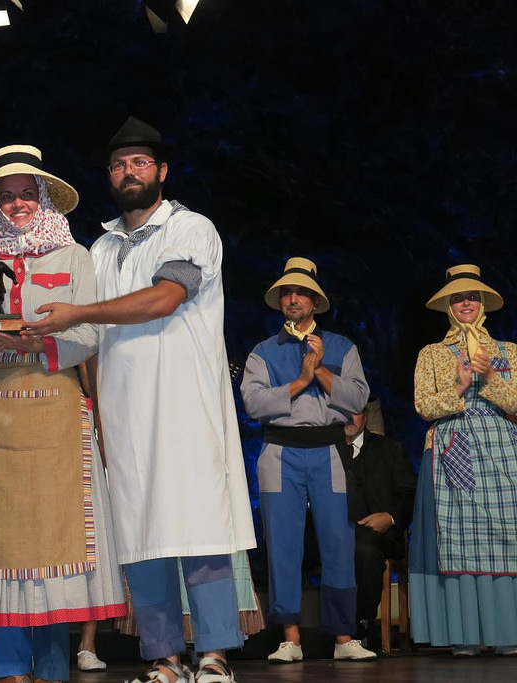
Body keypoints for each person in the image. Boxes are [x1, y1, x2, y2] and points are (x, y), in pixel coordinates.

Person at [26, 118, 254, 683]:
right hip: (124, 413)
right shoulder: (101, 247)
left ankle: (216, 656)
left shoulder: (190, 228)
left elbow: (164, 298)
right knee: (140, 535)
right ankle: (165, 658)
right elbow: (88, 340)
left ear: (162, 171)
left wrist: (77, 313)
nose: (129, 172)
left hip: (186, 408)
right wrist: (96, 411)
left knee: (200, 527)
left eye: (140, 162)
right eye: (119, 165)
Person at [0, 145, 127, 683]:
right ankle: (10, 670)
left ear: (43, 197)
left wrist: (28, 345)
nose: (18, 204)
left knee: (55, 541)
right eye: (7, 197)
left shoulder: (74, 257)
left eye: (27, 194)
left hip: (54, 413)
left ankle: (50, 669)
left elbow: (89, 334)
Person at [240, 256, 376, 663]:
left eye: (301, 293)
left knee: (338, 542)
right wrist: (301, 380)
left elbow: (357, 399)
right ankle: (290, 638)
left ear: (315, 301)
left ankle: (343, 637)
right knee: (282, 545)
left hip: (328, 450)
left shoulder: (341, 347)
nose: (293, 299)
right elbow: (254, 404)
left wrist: (320, 373)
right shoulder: (263, 352)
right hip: (280, 452)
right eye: (287, 293)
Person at [410, 264, 517, 657]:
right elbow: (424, 406)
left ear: (483, 302)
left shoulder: (508, 351)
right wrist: (459, 385)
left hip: (503, 447)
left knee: (507, 536)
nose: (466, 303)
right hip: (455, 446)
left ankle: (508, 632)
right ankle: (466, 633)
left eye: (472, 297)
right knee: (459, 538)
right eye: (458, 298)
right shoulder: (433, 354)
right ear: (449, 307)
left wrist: (490, 380)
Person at [342, 400, 416, 649]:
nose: (349, 417)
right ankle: (294, 634)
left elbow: (409, 494)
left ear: (365, 415)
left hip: (380, 533)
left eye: (354, 411)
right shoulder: (326, 452)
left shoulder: (389, 449)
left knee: (363, 551)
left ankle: (361, 625)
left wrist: (390, 517)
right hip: (335, 532)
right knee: (294, 547)